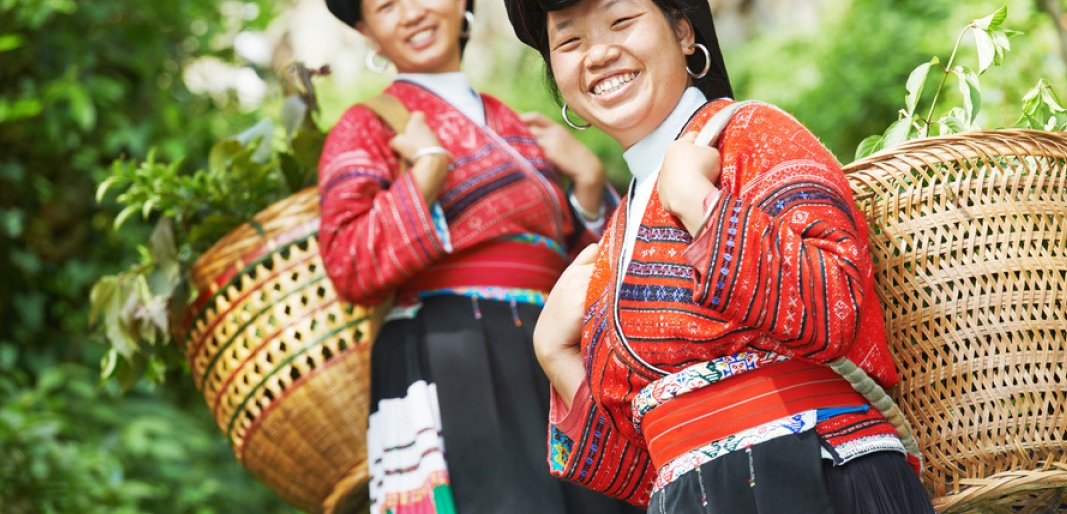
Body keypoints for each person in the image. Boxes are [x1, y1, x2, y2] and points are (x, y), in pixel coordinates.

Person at [503, 0, 937, 512]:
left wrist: (702, 207)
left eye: (621, 21)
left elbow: (839, 304)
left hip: (822, 475)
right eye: (570, 41)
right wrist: (554, 353)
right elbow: (652, 469)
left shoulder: (751, 132)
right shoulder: (619, 235)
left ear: (685, 32)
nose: (597, 54)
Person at [317, 1, 644, 513]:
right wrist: (426, 172)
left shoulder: (517, 125)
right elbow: (348, 266)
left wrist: (587, 184)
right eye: (385, 5)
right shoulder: (366, 127)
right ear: (366, 30)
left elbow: (589, 272)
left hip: (553, 346)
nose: (411, 14)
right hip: (452, 356)